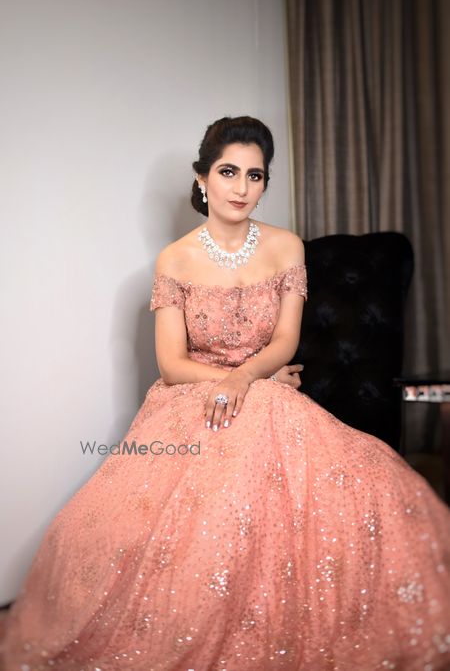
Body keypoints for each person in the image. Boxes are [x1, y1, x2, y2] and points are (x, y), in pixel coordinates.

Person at [1, 115, 450, 671]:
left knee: (372, 489)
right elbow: (171, 364)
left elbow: (285, 341)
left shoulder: (287, 247)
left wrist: (249, 378)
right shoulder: (175, 259)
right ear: (202, 178)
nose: (241, 188)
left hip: (267, 392)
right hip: (191, 394)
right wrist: (240, 381)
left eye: (255, 176)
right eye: (228, 172)